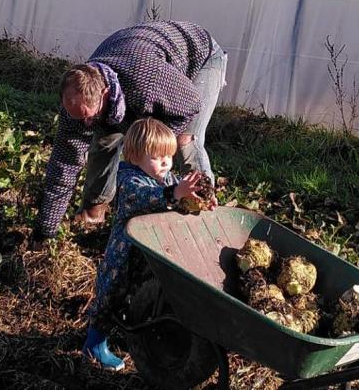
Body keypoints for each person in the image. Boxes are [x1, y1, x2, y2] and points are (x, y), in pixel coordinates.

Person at [31, 20, 227, 244]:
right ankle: (93, 214)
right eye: (79, 117)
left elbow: (190, 105)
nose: (84, 124)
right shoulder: (78, 105)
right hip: (138, 58)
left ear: (105, 94)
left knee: (185, 141)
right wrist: (44, 231)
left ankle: (202, 217)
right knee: (104, 140)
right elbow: (64, 165)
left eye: (89, 116)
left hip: (199, 56)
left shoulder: (146, 83)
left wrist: (155, 146)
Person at [82, 118, 209, 370]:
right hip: (124, 257)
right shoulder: (129, 180)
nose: (165, 162)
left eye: (169, 156)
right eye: (157, 157)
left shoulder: (166, 178)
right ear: (134, 156)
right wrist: (175, 194)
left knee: (141, 298)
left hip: (152, 256)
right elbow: (144, 199)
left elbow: (180, 198)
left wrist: (198, 200)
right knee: (111, 297)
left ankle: (134, 330)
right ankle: (94, 343)